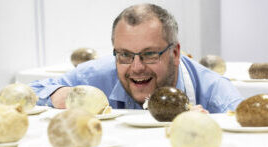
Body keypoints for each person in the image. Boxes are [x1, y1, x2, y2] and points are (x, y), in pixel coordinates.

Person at [29, 3, 243, 113]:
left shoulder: (217, 95)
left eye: (149, 54)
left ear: (175, 54)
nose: (136, 67)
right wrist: (59, 95)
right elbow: (30, 93)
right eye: (125, 55)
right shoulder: (97, 74)